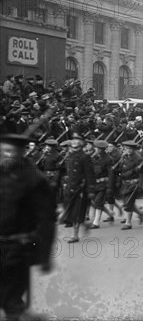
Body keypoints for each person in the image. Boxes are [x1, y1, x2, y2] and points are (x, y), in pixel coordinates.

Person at [0, 133, 56, 319]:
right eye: (3, 151)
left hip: (17, 249)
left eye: (10, 151)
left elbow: (46, 219)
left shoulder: (35, 180)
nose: (6, 155)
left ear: (23, 152)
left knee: (11, 298)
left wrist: (44, 255)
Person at [61, 133, 95, 242]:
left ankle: (75, 235)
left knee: (76, 212)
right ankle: (85, 224)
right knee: (70, 211)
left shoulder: (85, 157)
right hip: (70, 187)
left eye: (77, 139)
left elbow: (90, 174)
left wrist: (90, 189)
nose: (74, 141)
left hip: (80, 189)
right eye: (73, 140)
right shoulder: (69, 156)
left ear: (81, 143)